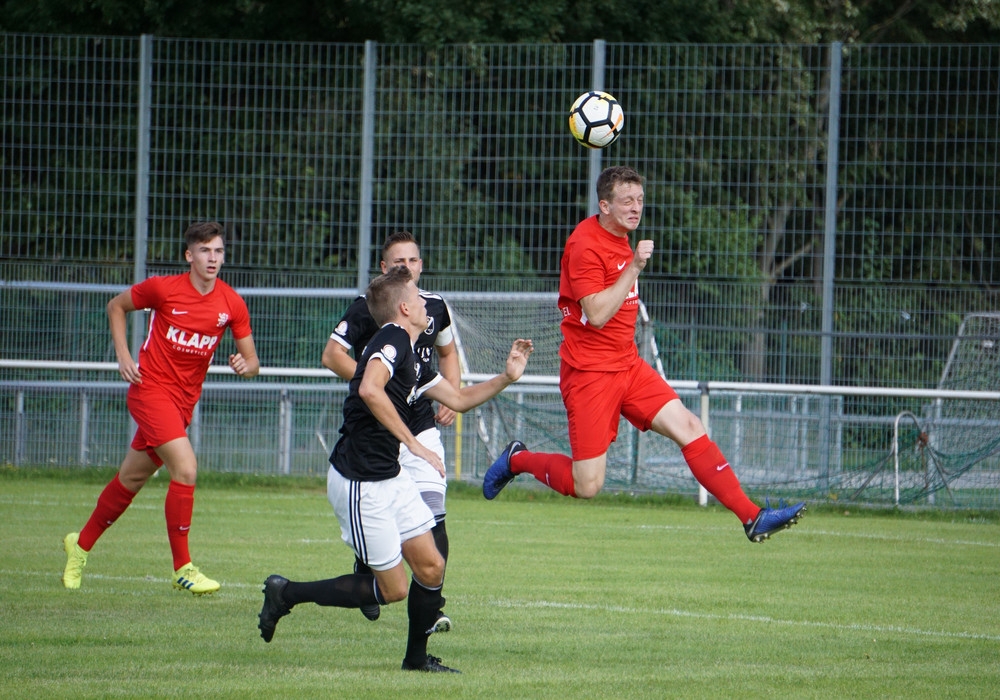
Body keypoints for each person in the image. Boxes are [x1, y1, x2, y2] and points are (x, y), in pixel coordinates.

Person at [482, 166, 805, 542]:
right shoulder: (584, 244)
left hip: (628, 365)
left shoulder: (621, 235)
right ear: (604, 205)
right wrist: (634, 266)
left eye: (639, 200)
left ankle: (752, 517)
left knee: (689, 427)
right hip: (590, 374)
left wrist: (631, 263)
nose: (636, 208)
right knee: (587, 485)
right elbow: (598, 315)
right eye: (626, 201)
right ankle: (517, 459)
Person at [258, 266, 533, 673]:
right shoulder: (389, 339)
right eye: (420, 296)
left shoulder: (410, 352)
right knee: (393, 590)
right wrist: (413, 442)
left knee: (432, 564)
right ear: (405, 307)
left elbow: (456, 399)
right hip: (360, 480)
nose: (427, 303)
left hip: (389, 475)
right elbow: (369, 387)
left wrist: (507, 378)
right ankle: (286, 593)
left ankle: (416, 661)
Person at [61, 221, 260, 594]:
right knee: (185, 468)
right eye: (205, 251)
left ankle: (80, 545)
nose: (213, 258)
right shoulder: (163, 289)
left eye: (218, 251)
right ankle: (182, 568)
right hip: (149, 390)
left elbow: (253, 363)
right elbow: (116, 306)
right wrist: (123, 355)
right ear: (189, 256)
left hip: (183, 403)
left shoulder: (231, 303)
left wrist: (244, 366)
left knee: (130, 481)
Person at [321, 231, 459, 629]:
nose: (408, 268)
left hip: (421, 426)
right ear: (385, 270)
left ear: (422, 264)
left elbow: (448, 354)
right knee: (378, 511)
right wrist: (384, 386)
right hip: (384, 428)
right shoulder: (375, 308)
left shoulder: (432, 308)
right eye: (399, 263)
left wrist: (451, 395)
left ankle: (431, 602)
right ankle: (366, 571)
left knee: (435, 518)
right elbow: (336, 358)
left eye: (413, 261)